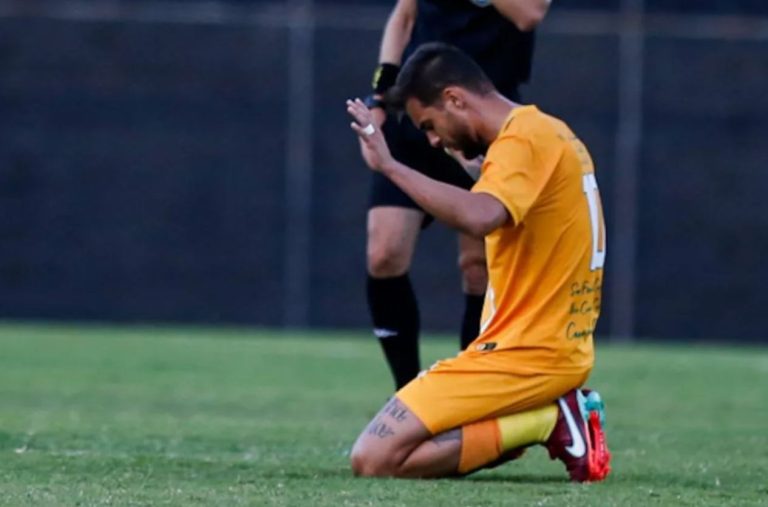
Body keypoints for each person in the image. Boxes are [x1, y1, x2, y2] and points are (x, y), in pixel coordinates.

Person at [345, 43, 611, 481]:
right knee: (421, 448)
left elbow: (480, 215)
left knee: (372, 459)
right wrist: (458, 158)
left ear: (455, 99)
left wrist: (390, 168)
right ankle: (548, 418)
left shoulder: (524, 138)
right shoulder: (544, 132)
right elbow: (505, 196)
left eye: (429, 125)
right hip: (550, 351)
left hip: (524, 355)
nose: (431, 139)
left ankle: (549, 420)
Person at [363, 0, 551, 391]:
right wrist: (381, 95)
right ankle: (407, 394)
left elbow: (529, 14)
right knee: (383, 252)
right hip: (420, 110)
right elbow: (405, 14)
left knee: (477, 266)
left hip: (481, 119)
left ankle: (470, 394)